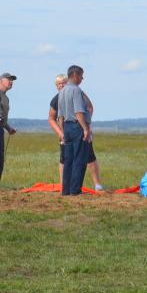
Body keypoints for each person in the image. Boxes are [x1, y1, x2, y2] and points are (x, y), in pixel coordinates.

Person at [48, 73, 103, 191]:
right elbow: (53, 118)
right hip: (67, 130)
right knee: (66, 159)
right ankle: (67, 187)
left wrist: (87, 126)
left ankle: (97, 185)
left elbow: (89, 107)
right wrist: (61, 133)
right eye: (59, 84)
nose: (62, 85)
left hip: (78, 128)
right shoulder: (56, 99)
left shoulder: (78, 92)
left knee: (89, 156)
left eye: (64, 82)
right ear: (56, 86)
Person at [58, 65, 91, 196]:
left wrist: (63, 131)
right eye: (81, 75)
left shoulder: (62, 91)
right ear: (75, 75)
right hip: (77, 127)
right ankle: (75, 190)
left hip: (66, 127)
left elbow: (60, 116)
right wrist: (85, 129)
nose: (82, 78)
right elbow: (79, 112)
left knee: (68, 160)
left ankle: (66, 190)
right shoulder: (76, 90)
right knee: (79, 159)